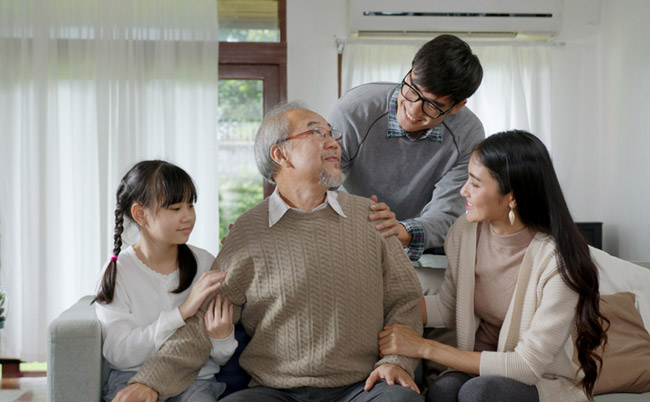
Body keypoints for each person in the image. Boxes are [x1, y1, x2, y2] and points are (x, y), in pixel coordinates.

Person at [112, 103, 424, 402]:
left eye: (332, 134)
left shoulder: (371, 216)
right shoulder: (248, 231)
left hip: (363, 387)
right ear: (280, 153)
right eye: (318, 133)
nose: (333, 144)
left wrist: (397, 361)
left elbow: (405, 299)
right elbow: (201, 323)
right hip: (277, 391)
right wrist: (149, 383)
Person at [377, 130, 608, 402]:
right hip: (477, 372)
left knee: (480, 393)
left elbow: (527, 366)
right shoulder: (464, 232)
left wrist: (424, 348)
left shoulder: (559, 263)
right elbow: (449, 306)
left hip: (539, 382)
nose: (464, 190)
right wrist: (378, 309)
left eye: (475, 183)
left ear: (512, 197)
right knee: (442, 390)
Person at [329, 34, 485, 269]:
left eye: (432, 105)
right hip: (348, 232)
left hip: (418, 243)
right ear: (411, 71)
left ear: (457, 106)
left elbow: (447, 214)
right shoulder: (356, 110)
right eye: (412, 89)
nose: (412, 109)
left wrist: (399, 230)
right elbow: (320, 184)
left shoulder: (467, 134)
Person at [93, 160, 237, 402]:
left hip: (195, 381)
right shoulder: (119, 272)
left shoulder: (204, 263)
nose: (188, 217)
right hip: (133, 380)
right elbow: (118, 354)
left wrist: (222, 337)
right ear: (141, 214)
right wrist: (181, 313)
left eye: (190, 205)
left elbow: (218, 357)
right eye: (175, 208)